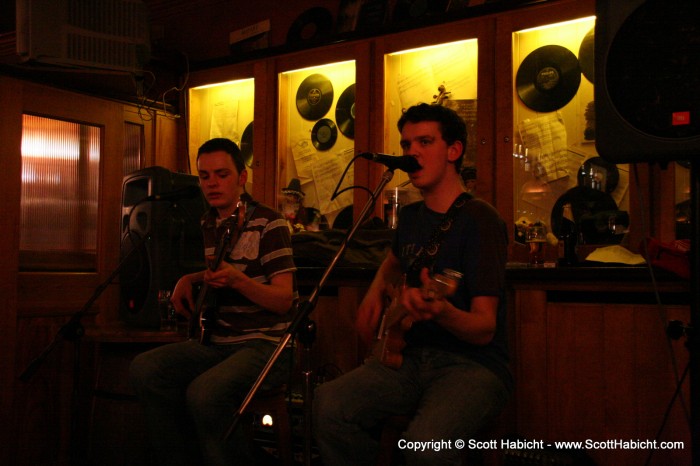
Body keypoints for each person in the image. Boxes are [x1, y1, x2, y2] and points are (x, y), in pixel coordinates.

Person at [313, 103, 512, 465]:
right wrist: (376, 291)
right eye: (406, 145)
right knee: (328, 404)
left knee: (424, 446)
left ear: (454, 150)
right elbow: (394, 262)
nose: (411, 153)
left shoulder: (480, 220)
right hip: (406, 358)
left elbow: (485, 328)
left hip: (471, 366)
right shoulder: (409, 217)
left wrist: (443, 312)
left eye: (424, 142)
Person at [129, 138, 297, 466]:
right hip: (219, 341)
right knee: (144, 369)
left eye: (221, 174)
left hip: (267, 345)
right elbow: (220, 269)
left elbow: (283, 300)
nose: (212, 183)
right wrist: (188, 279)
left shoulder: (269, 223)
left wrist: (239, 281)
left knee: (204, 394)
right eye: (204, 176)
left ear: (242, 177)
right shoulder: (210, 222)